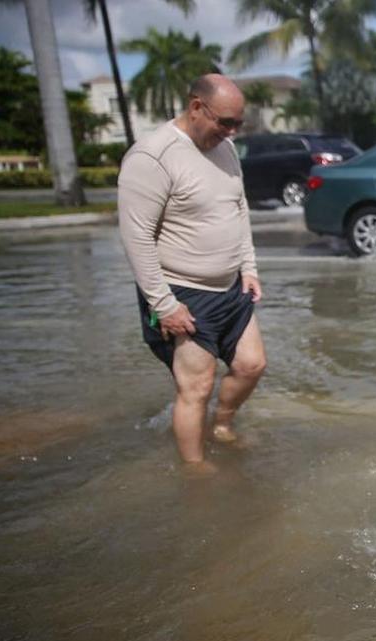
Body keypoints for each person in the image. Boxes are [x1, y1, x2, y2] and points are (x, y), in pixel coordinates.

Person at [118, 74, 265, 468]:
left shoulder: (226, 150)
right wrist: (164, 304)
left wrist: (248, 267)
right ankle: (196, 471)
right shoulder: (153, 157)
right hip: (182, 290)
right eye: (225, 122)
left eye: (238, 124)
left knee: (251, 365)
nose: (232, 131)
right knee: (196, 386)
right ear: (196, 107)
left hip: (230, 287)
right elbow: (137, 238)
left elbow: (239, 208)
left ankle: (222, 425)